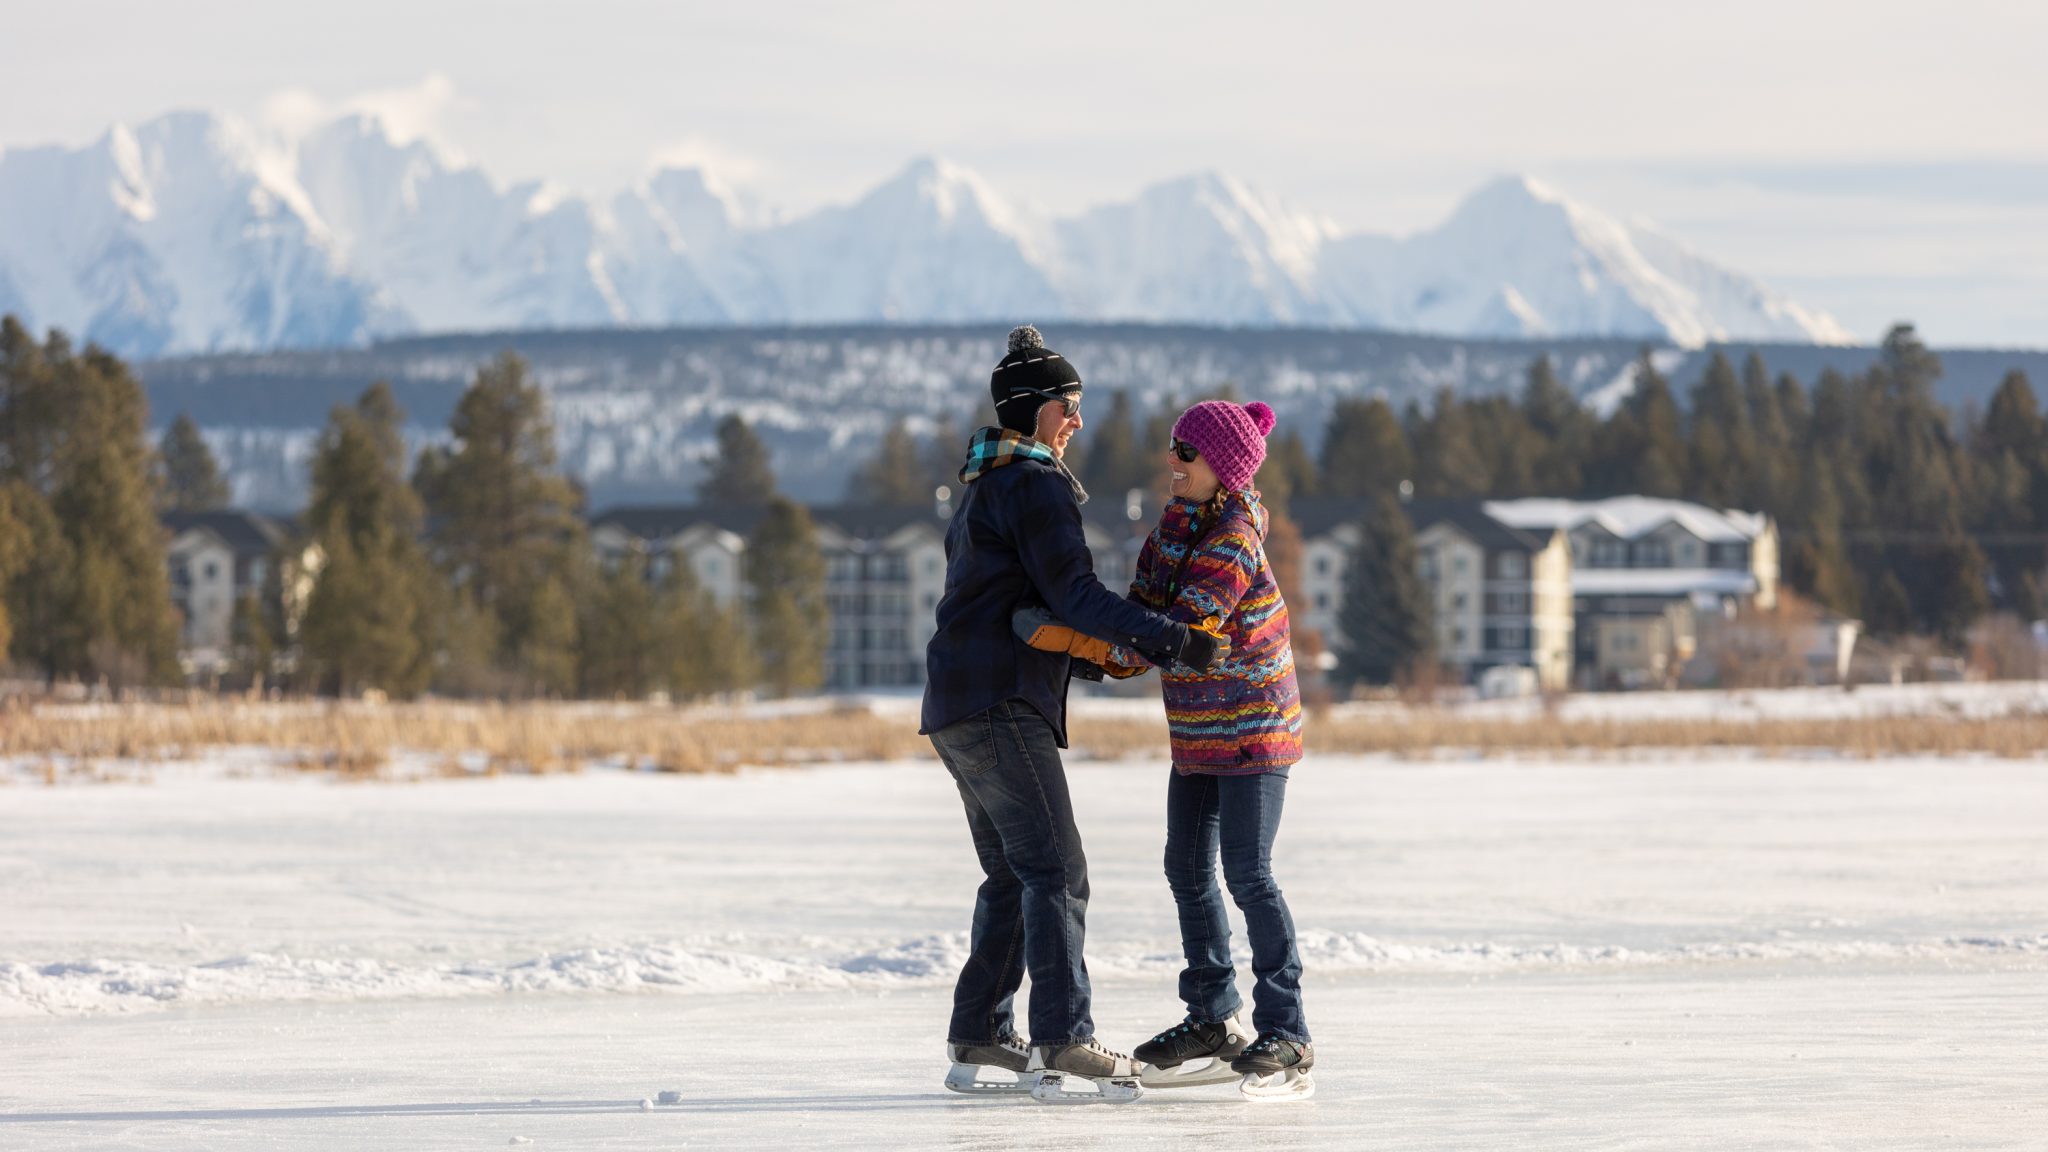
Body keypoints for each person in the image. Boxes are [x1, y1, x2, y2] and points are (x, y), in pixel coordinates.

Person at [921, 325, 1227, 1101]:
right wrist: (1173, 641)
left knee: (1014, 875)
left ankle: (983, 1031)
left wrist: (1089, 653)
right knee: (1057, 871)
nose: (1078, 421)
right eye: (1069, 405)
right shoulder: (1035, 483)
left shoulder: (985, 484)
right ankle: (1063, 1037)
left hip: (957, 703)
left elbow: (1020, 608)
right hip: (997, 705)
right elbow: (1075, 595)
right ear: (1033, 409)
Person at [1035, 398, 1314, 1101]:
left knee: (1248, 874)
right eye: (1172, 447)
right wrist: (1080, 650)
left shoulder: (1236, 531)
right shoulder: (1170, 532)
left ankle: (1289, 1031)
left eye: (1187, 452)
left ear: (1224, 467)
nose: (1173, 461)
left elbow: (1188, 624)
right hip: (1196, 732)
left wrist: (1098, 636)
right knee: (1186, 868)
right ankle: (1214, 1020)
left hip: (1252, 728)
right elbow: (1141, 624)